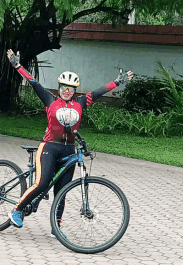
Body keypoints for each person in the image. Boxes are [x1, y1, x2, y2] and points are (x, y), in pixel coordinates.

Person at [7, 49, 133, 234]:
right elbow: (33, 83)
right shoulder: (50, 99)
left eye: (71, 88)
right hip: (49, 147)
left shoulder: (80, 103)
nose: (66, 91)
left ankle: (56, 227)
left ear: (74, 91)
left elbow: (99, 92)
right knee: (41, 183)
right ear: (59, 87)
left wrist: (117, 82)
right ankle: (16, 211)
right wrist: (17, 65)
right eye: (63, 87)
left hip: (69, 151)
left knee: (62, 191)